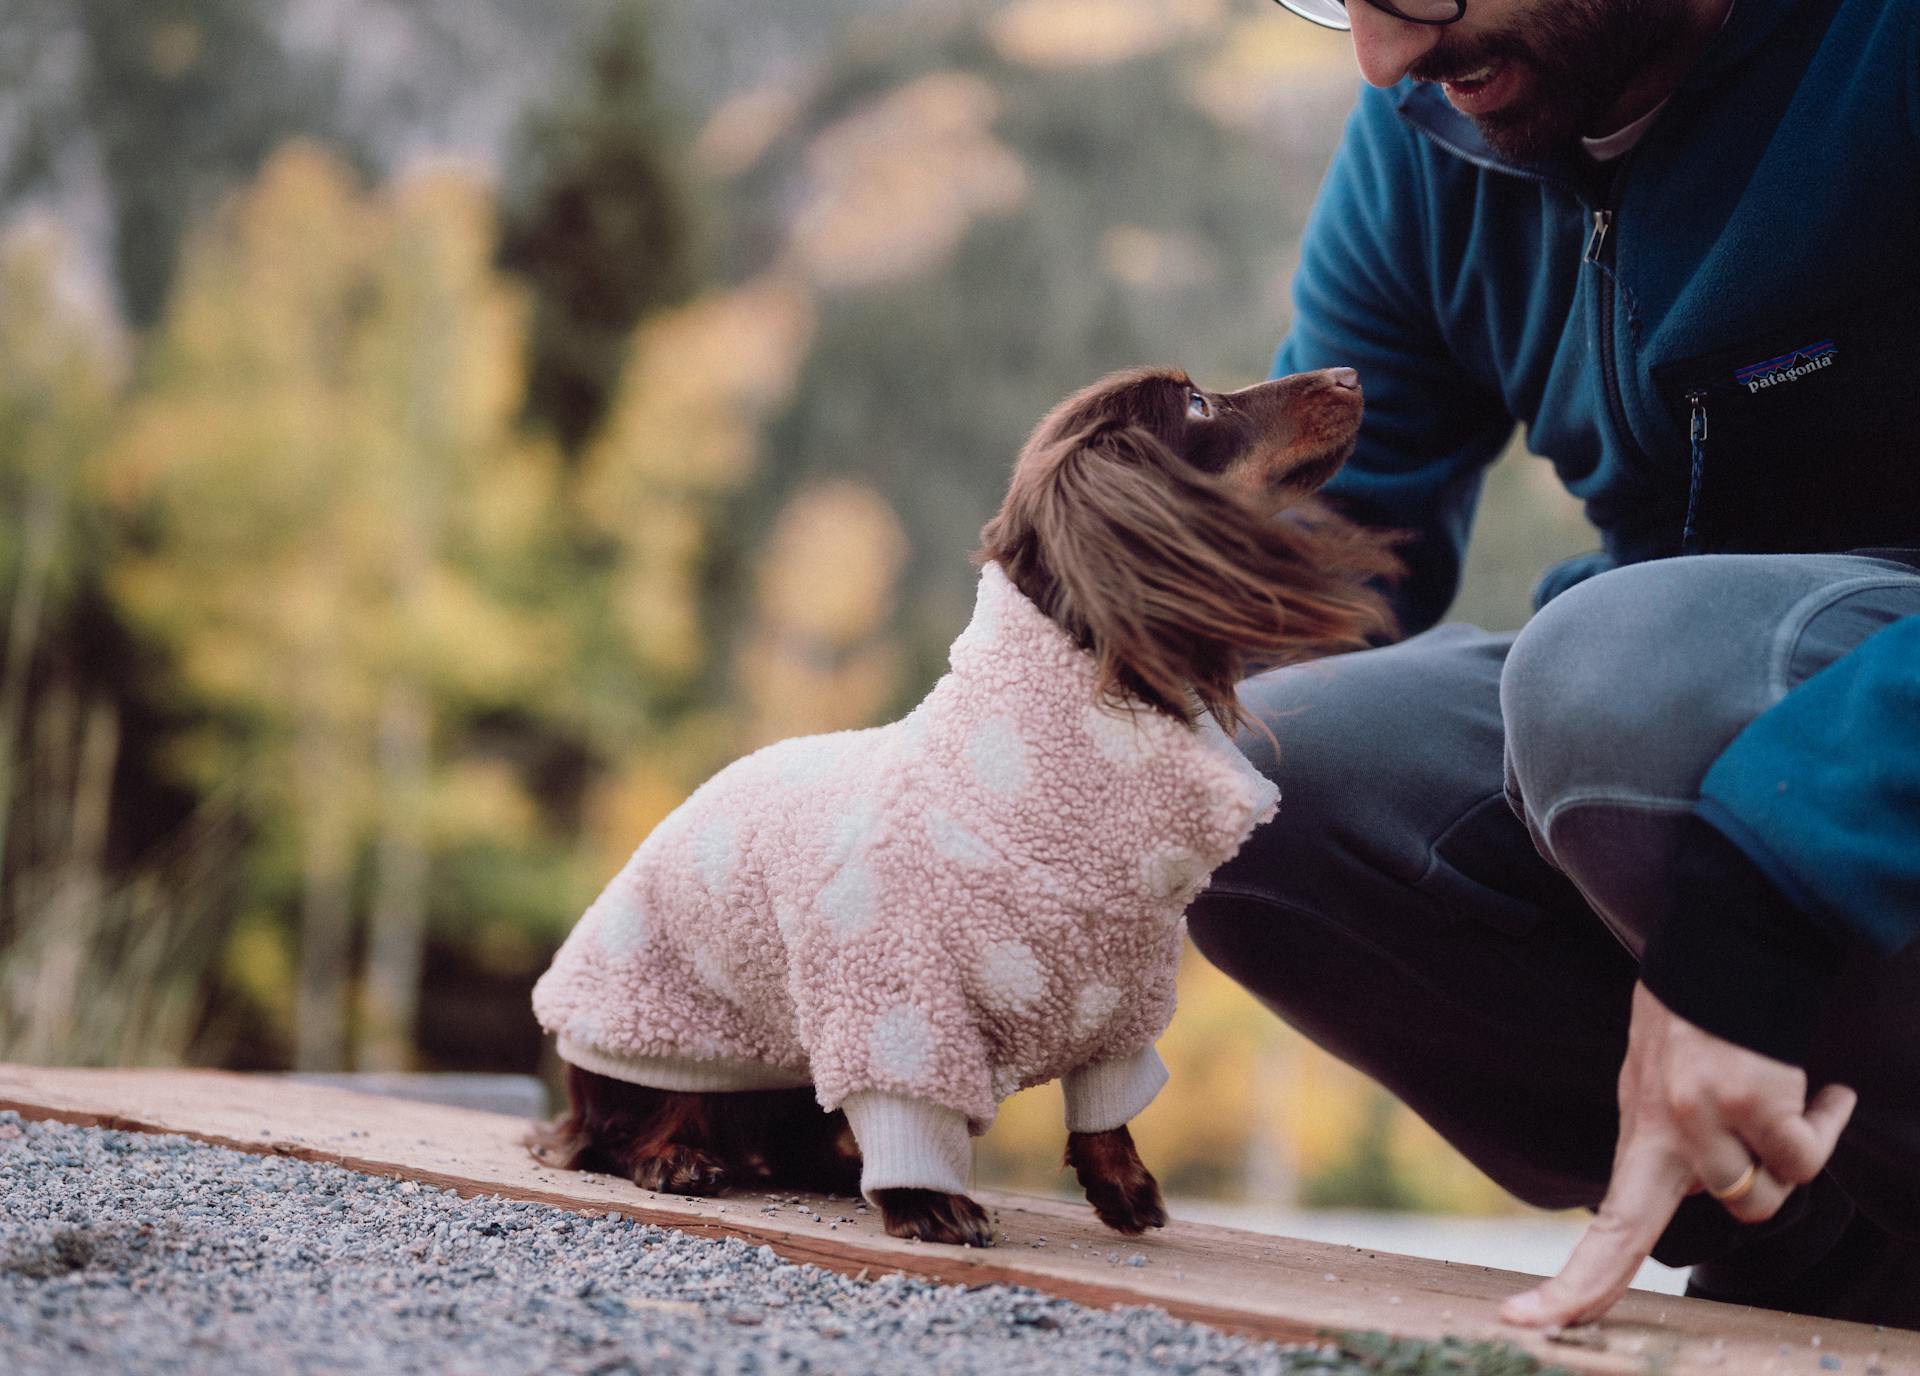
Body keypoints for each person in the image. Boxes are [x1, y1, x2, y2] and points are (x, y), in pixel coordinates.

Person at [1193, 0, 1920, 1329]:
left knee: (1619, 689)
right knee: (1230, 779)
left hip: (1831, 737)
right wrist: (956, 843)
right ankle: (1837, 1250)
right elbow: (1311, 555)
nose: (1380, 55)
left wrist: (1774, 877)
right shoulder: (1432, 125)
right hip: (1686, 730)